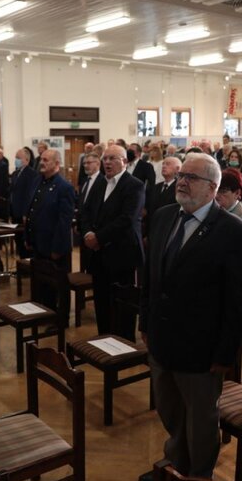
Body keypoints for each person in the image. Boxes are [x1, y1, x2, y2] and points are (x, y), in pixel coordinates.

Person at [138, 153, 242, 481]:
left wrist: (225, 353)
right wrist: (145, 321)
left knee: (201, 418)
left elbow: (238, 299)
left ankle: (198, 478)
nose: (183, 182)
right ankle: (177, 461)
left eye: (193, 177)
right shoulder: (163, 217)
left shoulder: (232, 231)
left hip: (202, 346)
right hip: (161, 337)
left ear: (213, 188)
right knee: (169, 408)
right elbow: (151, 278)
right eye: (182, 175)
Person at [81, 144, 145, 341]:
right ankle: (104, 338)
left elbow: (127, 219)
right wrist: (88, 234)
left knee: (122, 303)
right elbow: (87, 211)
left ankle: (123, 344)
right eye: (105, 158)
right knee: (101, 300)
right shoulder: (100, 183)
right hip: (99, 254)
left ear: (124, 161)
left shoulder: (134, 185)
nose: (107, 162)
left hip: (122, 254)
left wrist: (98, 238)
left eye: (112, 159)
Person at [24, 149, 75, 308]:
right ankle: (46, 312)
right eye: (42, 160)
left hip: (55, 245)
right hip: (39, 242)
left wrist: (57, 248)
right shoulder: (38, 181)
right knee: (43, 282)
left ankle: (61, 319)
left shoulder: (64, 187)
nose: (42, 163)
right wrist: (28, 237)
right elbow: (31, 211)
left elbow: (64, 221)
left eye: (46, 160)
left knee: (58, 284)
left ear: (57, 164)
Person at [9, 147, 39, 259]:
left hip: (23, 213)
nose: (16, 160)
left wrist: (26, 213)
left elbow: (29, 195)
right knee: (18, 239)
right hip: (15, 212)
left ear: (26, 159)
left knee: (24, 240)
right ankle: (22, 263)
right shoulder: (15, 173)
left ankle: (26, 266)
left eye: (18, 158)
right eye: (15, 157)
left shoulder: (32, 174)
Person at [215, 168, 242, 240]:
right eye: (216, 190)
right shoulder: (210, 210)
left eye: (223, 191)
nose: (216, 195)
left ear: (237, 193)